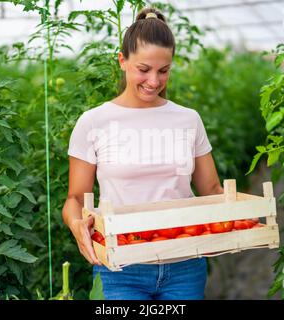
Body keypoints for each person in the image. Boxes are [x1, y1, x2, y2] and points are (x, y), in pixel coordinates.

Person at [62, 7, 224, 300]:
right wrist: (77, 224)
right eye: (144, 69)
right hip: (121, 267)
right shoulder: (94, 122)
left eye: (164, 71)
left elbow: (211, 188)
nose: (154, 81)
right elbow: (75, 198)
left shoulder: (188, 119)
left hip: (185, 265)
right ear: (122, 61)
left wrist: (241, 219)